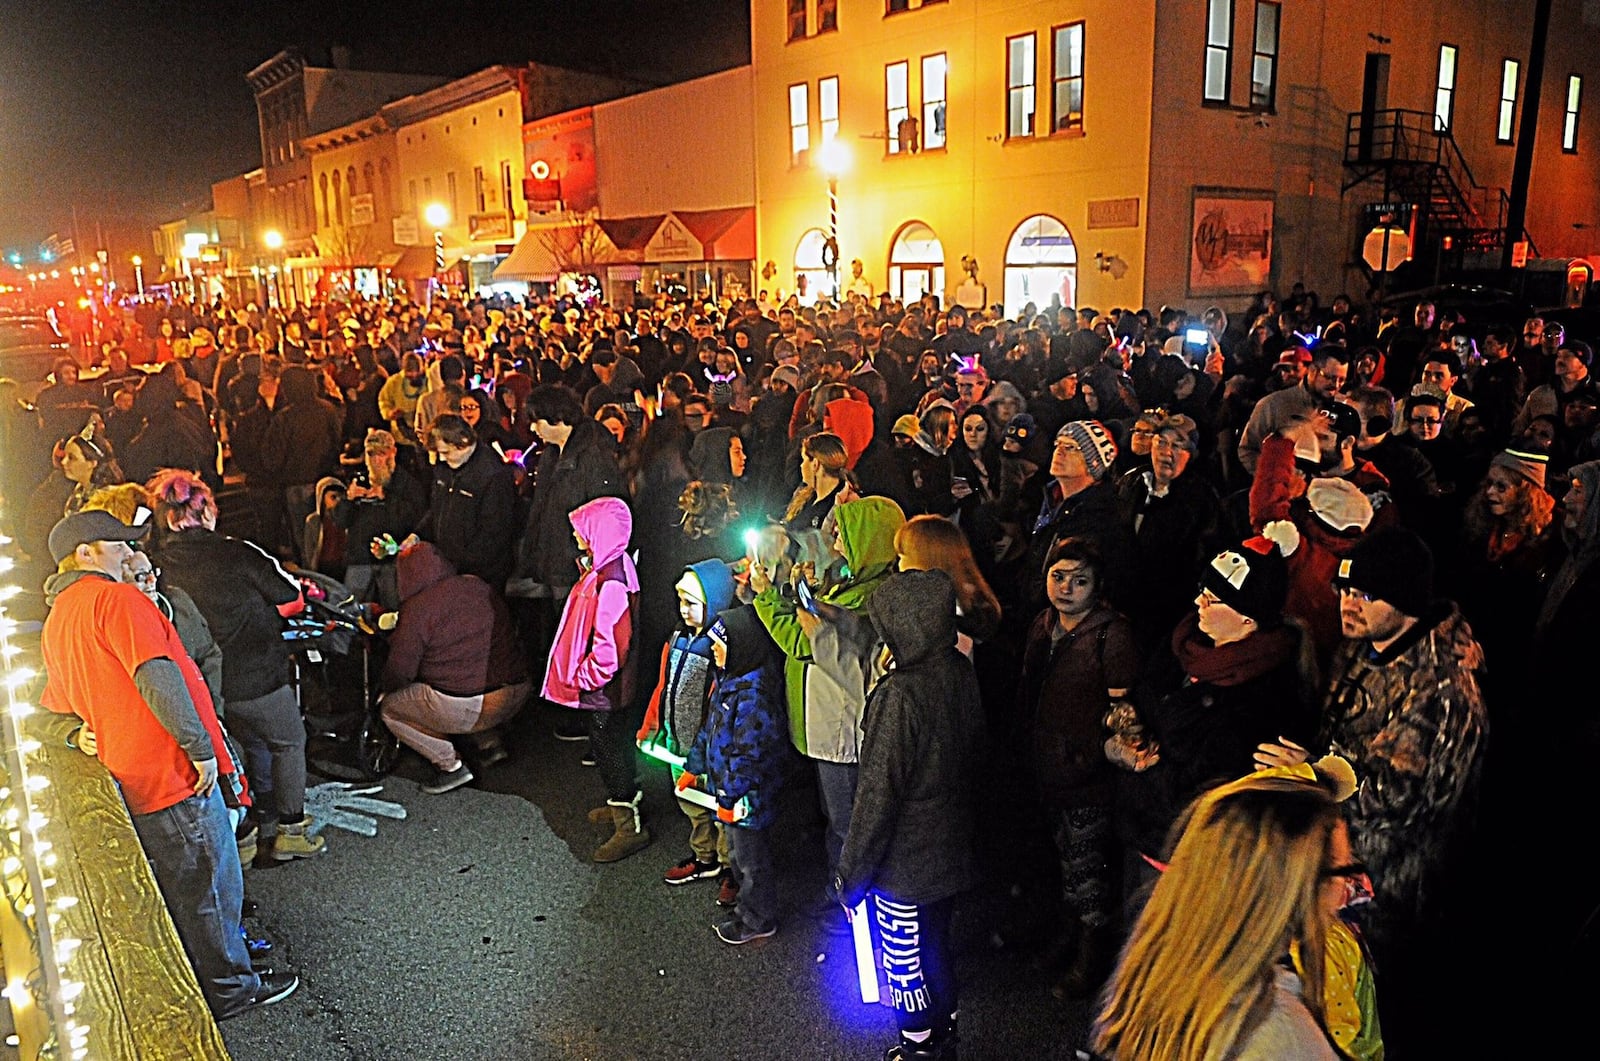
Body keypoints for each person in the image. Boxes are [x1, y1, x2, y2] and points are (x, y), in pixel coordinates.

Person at [38, 509, 299, 1017]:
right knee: (209, 885)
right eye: (120, 546)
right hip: (169, 772)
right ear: (86, 554)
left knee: (193, 882)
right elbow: (157, 676)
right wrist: (200, 748)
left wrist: (74, 733)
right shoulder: (114, 599)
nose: (131, 554)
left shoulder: (60, 615)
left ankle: (225, 969)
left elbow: (54, 704)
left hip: (132, 775)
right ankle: (231, 989)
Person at [1258, 527, 1487, 1054]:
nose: (1348, 605)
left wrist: (1314, 773)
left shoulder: (1444, 690)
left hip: (1390, 887)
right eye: (1345, 591)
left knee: (1375, 1012)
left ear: (1405, 601)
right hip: (1341, 864)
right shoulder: (1363, 650)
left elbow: (1406, 798)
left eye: (1365, 595)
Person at [834, 570, 985, 1061]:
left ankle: (918, 1049)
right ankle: (948, 1037)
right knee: (938, 945)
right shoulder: (957, 668)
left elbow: (878, 794)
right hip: (950, 850)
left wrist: (851, 877)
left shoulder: (899, 695)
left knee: (903, 964)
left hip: (906, 865)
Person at [1092, 771, 1345, 1061]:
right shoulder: (1283, 1038)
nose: (1351, 889)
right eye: (1345, 871)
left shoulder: (1157, 972)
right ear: (1292, 893)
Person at [147, 468, 325, 862]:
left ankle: (247, 833)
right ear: (207, 509)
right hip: (258, 675)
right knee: (287, 741)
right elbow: (290, 600)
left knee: (244, 746)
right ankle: (291, 830)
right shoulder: (238, 551)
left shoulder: (156, 564)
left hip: (204, 684)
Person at [1017, 537, 1138, 999]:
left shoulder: (1112, 635)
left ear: (1098, 587)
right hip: (1043, 766)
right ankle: (1066, 941)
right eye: (1058, 576)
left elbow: (1122, 710)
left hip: (1086, 776)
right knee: (1060, 863)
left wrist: (1092, 750)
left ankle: (1091, 960)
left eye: (1079, 580)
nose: (1066, 588)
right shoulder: (1042, 624)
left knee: (1088, 870)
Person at [379, 542, 531, 793]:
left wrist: (385, 691)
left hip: (471, 705)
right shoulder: (477, 585)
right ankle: (491, 744)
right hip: (517, 692)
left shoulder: (418, 608)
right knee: (473, 672)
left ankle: (451, 766)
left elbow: (400, 670)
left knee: (392, 710)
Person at [543, 496, 648, 863]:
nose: (575, 536)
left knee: (609, 748)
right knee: (611, 744)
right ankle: (621, 805)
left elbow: (610, 648)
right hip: (607, 686)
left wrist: (584, 676)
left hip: (605, 688)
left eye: (582, 530)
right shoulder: (610, 567)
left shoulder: (611, 581)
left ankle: (629, 824)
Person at [683, 606, 791, 945]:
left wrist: (729, 796)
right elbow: (709, 731)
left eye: (719, 643)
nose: (713, 650)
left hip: (747, 801)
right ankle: (749, 909)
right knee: (740, 855)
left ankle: (758, 919)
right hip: (731, 797)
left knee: (750, 862)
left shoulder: (753, 695)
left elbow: (750, 756)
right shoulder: (729, 681)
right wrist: (693, 766)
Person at [636, 560, 738, 887]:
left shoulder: (720, 646)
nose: (683, 609)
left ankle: (729, 868)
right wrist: (651, 726)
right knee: (691, 804)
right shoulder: (677, 638)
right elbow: (663, 686)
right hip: (676, 744)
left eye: (691, 603)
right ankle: (704, 857)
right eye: (680, 601)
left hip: (709, 751)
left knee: (720, 811)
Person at [413, 413, 519, 590]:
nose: (441, 458)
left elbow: (495, 532)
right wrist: (417, 535)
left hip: (481, 575)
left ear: (462, 441)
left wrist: (461, 565)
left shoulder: (492, 474)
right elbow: (438, 509)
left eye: (446, 452)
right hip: (448, 568)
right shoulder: (445, 468)